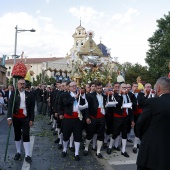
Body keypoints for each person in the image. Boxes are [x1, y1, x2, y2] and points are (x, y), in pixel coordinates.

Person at [136, 77, 170, 170]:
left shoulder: (152, 102)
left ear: (158, 88)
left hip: (151, 153)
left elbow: (140, 124)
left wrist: (144, 136)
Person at [7, 78, 35, 164]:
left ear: (25, 85)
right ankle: (18, 152)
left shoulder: (29, 95)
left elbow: (31, 108)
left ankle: (27, 155)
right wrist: (9, 118)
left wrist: (31, 119)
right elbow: (10, 106)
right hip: (16, 117)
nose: (22, 85)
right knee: (17, 134)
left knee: (26, 134)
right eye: (20, 84)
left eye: (23, 84)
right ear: (17, 85)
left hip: (25, 117)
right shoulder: (14, 94)